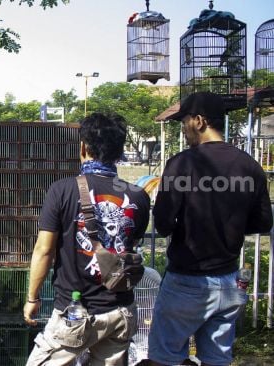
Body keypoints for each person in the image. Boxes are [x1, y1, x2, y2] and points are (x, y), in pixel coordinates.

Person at [147, 92, 273, 366]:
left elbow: (164, 224)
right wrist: (234, 223)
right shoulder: (250, 166)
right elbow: (264, 222)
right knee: (217, 360)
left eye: (185, 122)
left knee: (164, 358)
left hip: (186, 282)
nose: (184, 128)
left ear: (200, 121)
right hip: (229, 282)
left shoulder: (182, 164)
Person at [24, 112, 151, 365]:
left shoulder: (62, 190)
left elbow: (44, 251)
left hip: (76, 313)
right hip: (121, 313)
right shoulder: (138, 196)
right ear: (119, 150)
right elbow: (129, 246)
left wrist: (32, 298)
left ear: (83, 147)